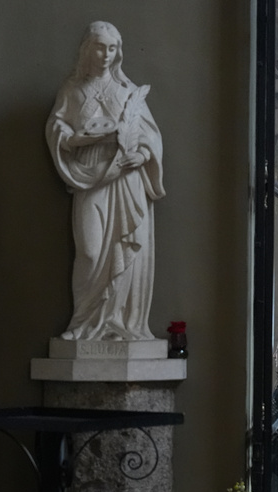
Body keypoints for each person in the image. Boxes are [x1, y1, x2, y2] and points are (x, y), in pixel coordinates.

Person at [46, 21, 165, 342]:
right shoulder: (73, 91)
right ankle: (83, 324)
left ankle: (119, 323)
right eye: (100, 47)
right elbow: (58, 130)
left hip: (126, 179)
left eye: (112, 48)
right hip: (90, 178)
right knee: (90, 250)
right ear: (87, 48)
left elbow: (149, 137)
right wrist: (75, 141)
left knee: (124, 249)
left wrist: (141, 156)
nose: (106, 55)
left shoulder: (128, 93)